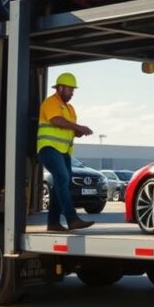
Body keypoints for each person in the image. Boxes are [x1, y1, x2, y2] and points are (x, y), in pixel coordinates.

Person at [38, 72, 95, 232]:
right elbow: (56, 120)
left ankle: (53, 223)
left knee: (63, 183)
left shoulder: (70, 109)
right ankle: (72, 218)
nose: (72, 93)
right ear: (60, 88)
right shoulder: (51, 102)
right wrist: (78, 127)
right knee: (62, 178)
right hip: (48, 148)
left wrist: (79, 131)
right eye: (70, 89)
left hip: (64, 151)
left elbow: (70, 130)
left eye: (73, 90)